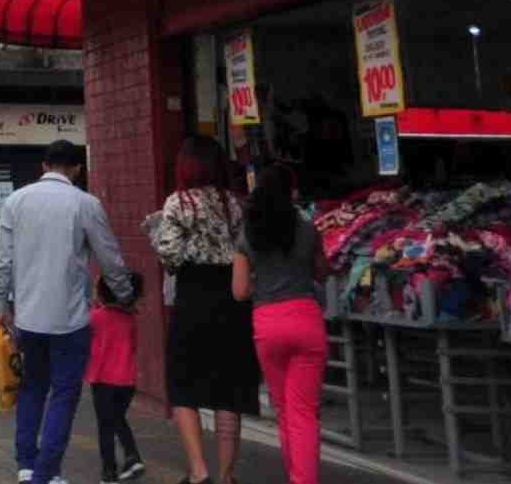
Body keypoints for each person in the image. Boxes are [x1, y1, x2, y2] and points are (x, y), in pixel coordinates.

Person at [0, 139, 134, 484]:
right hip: (70, 320)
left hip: (27, 317)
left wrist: (1, 304)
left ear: (44, 166)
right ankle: (47, 472)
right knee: (65, 394)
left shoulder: (15, 201)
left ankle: (26, 464)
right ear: (77, 169)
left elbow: (2, 259)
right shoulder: (85, 204)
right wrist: (126, 294)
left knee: (32, 388)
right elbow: (110, 257)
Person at [152, 136, 262, 484]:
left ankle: (199, 471)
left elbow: (168, 255)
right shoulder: (237, 204)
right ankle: (226, 475)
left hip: (193, 298)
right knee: (228, 387)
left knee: (184, 383)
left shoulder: (179, 202)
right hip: (232, 299)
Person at [233, 165, 329, 484]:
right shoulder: (308, 229)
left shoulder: (248, 234)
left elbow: (240, 291)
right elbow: (321, 272)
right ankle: (303, 479)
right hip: (306, 320)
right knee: (304, 412)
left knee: (284, 411)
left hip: (268, 325)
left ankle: (295, 474)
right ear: (290, 192)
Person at [87, 271, 146, 484]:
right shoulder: (131, 319)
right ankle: (132, 456)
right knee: (118, 419)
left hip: (103, 380)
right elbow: (133, 346)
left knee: (105, 426)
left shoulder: (96, 317)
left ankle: (109, 472)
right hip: (127, 381)